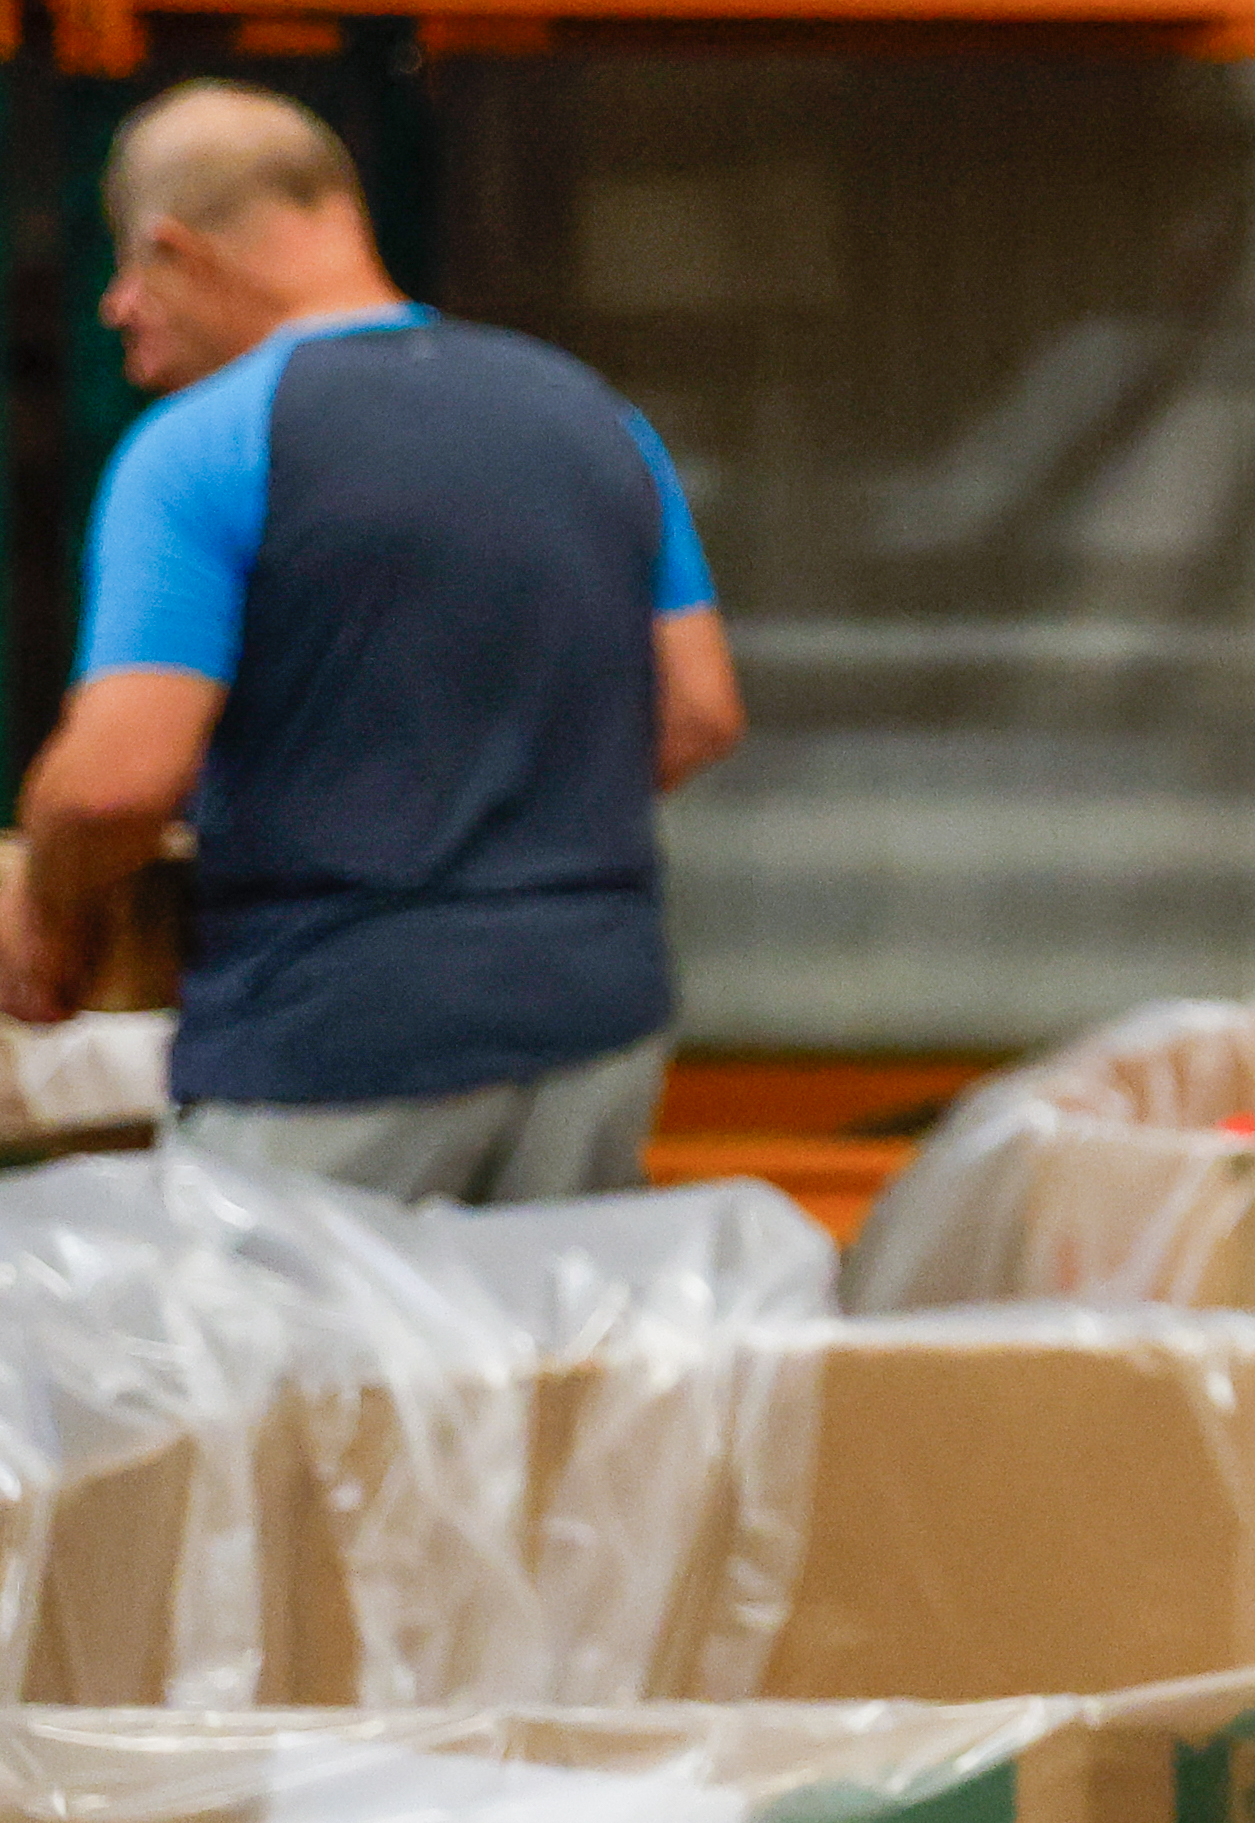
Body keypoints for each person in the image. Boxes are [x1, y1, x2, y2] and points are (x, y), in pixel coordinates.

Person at [4, 80, 741, 1199]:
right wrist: (494, 829)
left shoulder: (202, 444)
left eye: (127, 268)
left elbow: (115, 781)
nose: (117, 308)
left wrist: (48, 924)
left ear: (174, 247)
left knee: (274, 1370)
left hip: (335, 1037)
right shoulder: (596, 415)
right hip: (598, 1021)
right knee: (531, 1364)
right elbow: (696, 710)